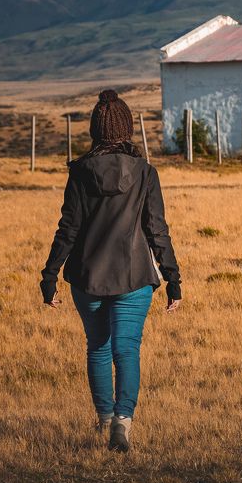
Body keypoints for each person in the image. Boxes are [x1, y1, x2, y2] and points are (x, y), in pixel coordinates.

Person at [40, 89, 181, 452]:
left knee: (98, 349)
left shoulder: (80, 173)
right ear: (127, 128)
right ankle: (122, 421)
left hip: (87, 278)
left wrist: (50, 276)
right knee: (126, 350)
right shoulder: (145, 173)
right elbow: (157, 229)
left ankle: (104, 420)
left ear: (95, 130)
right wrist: (173, 279)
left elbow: (68, 229)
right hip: (134, 278)